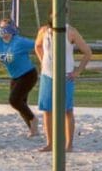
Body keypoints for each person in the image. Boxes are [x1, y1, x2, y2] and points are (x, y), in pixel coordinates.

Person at [33, 20, 92, 153]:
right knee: (47, 110)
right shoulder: (44, 31)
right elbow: (37, 46)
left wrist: (78, 71)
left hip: (65, 76)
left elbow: (87, 52)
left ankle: (69, 145)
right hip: (48, 75)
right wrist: (43, 61)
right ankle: (50, 144)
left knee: (67, 110)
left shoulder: (70, 31)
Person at [0, 18, 38, 136]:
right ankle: (33, 129)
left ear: (12, 29)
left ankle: (33, 120)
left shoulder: (19, 41)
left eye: (6, 28)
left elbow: (38, 44)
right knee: (21, 103)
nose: (3, 31)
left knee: (14, 100)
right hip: (15, 76)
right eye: (1, 28)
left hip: (28, 74)